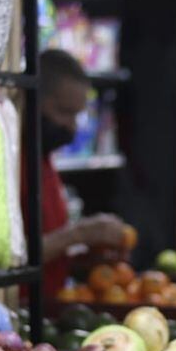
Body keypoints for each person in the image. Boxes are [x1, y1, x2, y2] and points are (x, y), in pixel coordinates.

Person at [32, 49, 127, 301]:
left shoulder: (45, 159)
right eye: (64, 112)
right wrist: (79, 234)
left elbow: (49, 249)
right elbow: (14, 256)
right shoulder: (13, 162)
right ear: (34, 100)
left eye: (77, 115)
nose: (72, 127)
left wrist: (92, 256)